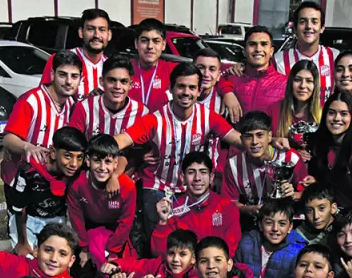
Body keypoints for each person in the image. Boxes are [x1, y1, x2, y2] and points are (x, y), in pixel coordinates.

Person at [116, 62, 242, 254]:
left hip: (192, 188)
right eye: (181, 86)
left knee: (191, 243)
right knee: (162, 245)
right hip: (158, 186)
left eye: (192, 87)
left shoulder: (208, 118)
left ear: (199, 91)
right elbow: (122, 140)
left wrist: (272, 143)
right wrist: (98, 149)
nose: (186, 92)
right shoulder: (155, 119)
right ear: (171, 88)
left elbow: (239, 140)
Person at [0, 50, 82, 242]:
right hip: (21, 182)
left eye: (74, 76)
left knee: (51, 242)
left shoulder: (73, 105)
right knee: (24, 244)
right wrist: (28, 147)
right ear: (52, 75)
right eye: (63, 75)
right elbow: (8, 139)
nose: (69, 81)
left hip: (51, 182)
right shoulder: (31, 101)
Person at [4, 126, 87, 256]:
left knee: (56, 259)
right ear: (53, 152)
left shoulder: (78, 172)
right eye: (68, 156)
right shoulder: (30, 171)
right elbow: (19, 210)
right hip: (28, 221)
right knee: (28, 260)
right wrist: (22, 242)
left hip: (57, 220)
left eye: (80, 157)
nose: (74, 164)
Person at [149, 151, 241, 259]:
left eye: (203, 172)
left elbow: (230, 252)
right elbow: (159, 253)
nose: (197, 178)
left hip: (214, 270)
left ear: (211, 177)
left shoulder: (227, 208)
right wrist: (163, 222)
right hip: (183, 271)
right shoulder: (172, 209)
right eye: (191, 172)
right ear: (182, 177)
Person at [66, 134, 137, 267]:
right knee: (83, 269)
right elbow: (76, 220)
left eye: (108, 162)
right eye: (97, 161)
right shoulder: (77, 184)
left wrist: (113, 252)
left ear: (116, 163)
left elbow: (126, 222)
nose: (102, 167)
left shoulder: (127, 186)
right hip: (89, 229)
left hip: (116, 232)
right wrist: (84, 248)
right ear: (88, 161)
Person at [222, 110, 302, 215]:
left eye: (260, 135)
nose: (254, 142)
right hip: (251, 224)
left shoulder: (290, 157)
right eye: (249, 136)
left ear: (269, 136)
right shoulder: (233, 165)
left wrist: (293, 195)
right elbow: (229, 202)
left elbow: (308, 193)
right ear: (241, 139)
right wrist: (248, 209)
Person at [306, 91, 352, 211]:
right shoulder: (320, 141)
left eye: (344, 114)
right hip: (330, 209)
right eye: (331, 113)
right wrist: (316, 183)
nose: (337, 118)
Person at [237, 199, 308, 278]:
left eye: (282, 224)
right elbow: (235, 274)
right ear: (260, 225)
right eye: (269, 223)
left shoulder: (298, 250)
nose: (275, 228)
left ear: (290, 227)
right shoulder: (247, 243)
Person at [68, 55, 149, 141]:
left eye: (123, 81)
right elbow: (72, 144)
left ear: (130, 85)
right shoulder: (85, 107)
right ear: (101, 81)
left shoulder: (142, 113)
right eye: (112, 80)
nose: (117, 86)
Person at [218, 26, 289, 118]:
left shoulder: (286, 84)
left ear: (271, 51)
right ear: (244, 51)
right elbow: (211, 83)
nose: (258, 49)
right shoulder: (232, 78)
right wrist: (227, 92)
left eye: (264, 44)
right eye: (252, 44)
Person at [40, 8, 111, 97]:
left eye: (102, 29)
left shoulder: (112, 67)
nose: (96, 35)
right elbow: (45, 100)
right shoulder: (59, 60)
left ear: (109, 35)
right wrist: (84, 103)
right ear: (81, 32)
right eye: (91, 29)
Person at [274, 1, 338, 98]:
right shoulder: (280, 60)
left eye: (314, 22)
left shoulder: (334, 57)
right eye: (303, 22)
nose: (308, 26)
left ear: (322, 28)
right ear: (295, 28)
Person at [270, 59, 323, 151]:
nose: (303, 85)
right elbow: (260, 140)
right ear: (291, 82)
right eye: (298, 80)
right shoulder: (274, 109)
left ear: (315, 85)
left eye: (309, 81)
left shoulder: (324, 113)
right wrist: (272, 141)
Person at [130, 18, 176, 112]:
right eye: (144, 40)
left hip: (161, 125)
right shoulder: (124, 69)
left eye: (156, 41)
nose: (150, 46)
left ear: (163, 45)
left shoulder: (174, 70)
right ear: (136, 43)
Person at [296, 181, 341, 251]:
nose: (316, 216)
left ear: (333, 208)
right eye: (309, 211)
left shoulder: (344, 229)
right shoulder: (299, 234)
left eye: (321, 208)